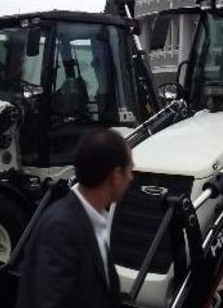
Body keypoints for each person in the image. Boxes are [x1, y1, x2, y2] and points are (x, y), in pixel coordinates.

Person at [15, 128, 134, 308]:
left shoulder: (90, 220)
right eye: (130, 169)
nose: (131, 177)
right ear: (116, 176)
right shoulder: (60, 229)